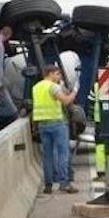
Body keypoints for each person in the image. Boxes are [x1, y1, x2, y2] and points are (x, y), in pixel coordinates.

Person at [32, 61, 77, 194]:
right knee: (63, 153)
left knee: (47, 155)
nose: (59, 77)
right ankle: (64, 183)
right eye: (57, 74)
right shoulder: (53, 87)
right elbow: (66, 101)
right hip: (57, 123)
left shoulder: (36, 87)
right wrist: (74, 92)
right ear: (50, 74)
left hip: (42, 125)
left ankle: (48, 185)